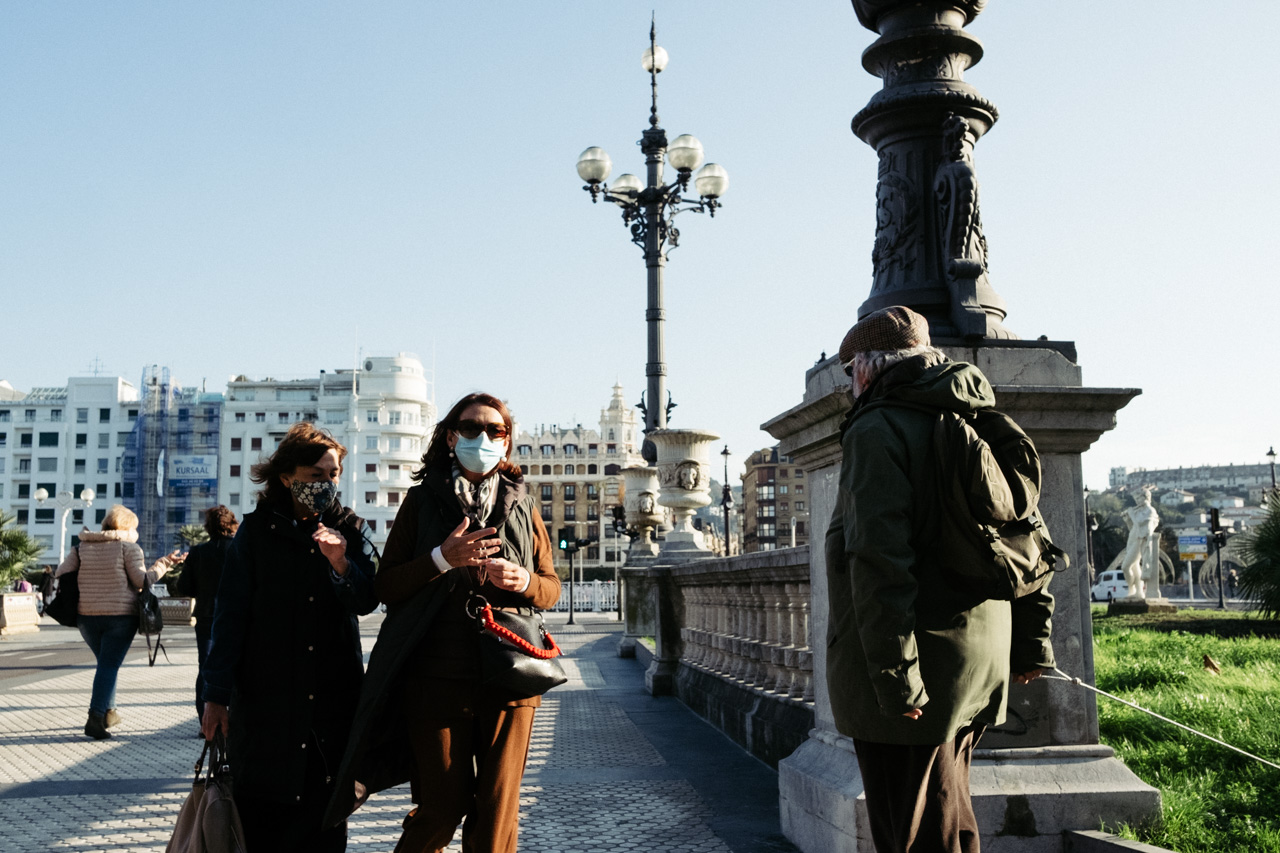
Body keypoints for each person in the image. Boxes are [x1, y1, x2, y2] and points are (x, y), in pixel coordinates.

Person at [825, 305, 1056, 853]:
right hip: (978, 660)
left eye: (849, 368)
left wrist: (896, 678)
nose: (850, 381)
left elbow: (879, 563)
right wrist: (1030, 645)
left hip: (919, 671)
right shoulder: (979, 419)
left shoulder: (879, 428)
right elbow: (1032, 544)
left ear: (868, 366)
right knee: (949, 816)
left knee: (910, 833)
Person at [324, 392, 561, 853]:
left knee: (497, 816)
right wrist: (441, 559)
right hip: (434, 677)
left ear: (507, 442)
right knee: (441, 808)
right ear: (452, 437)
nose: (484, 437)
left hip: (510, 675)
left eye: (495, 430)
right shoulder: (422, 502)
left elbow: (551, 587)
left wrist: (524, 580)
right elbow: (385, 587)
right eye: (472, 428)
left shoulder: (523, 504)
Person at [200, 423, 379, 852]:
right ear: (287, 477)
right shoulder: (256, 533)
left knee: (325, 828)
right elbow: (230, 617)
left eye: (333, 474)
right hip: (267, 707)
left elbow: (368, 598)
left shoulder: (350, 529)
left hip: (330, 706)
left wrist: (341, 565)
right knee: (264, 825)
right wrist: (215, 695)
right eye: (316, 475)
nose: (327, 483)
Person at [53, 505, 182, 739]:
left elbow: (60, 573)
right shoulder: (128, 548)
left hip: (86, 617)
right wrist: (164, 563)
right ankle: (95, 718)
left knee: (106, 664)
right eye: (134, 527)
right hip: (120, 617)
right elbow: (142, 580)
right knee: (109, 666)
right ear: (126, 527)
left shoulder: (81, 547)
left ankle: (109, 713)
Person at [174, 505, 239, 729]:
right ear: (232, 524)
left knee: (207, 667)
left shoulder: (198, 552)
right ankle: (235, 720)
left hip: (207, 616)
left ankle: (206, 723)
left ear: (208, 528)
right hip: (239, 617)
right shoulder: (241, 550)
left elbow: (184, 587)